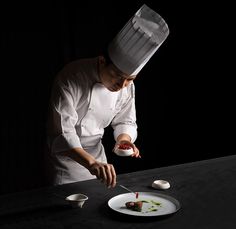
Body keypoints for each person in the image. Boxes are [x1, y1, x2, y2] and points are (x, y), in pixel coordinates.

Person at [45, 4, 169, 188]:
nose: (122, 85)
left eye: (130, 79)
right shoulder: (70, 77)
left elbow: (125, 121)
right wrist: (91, 163)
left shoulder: (127, 86)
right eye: (118, 77)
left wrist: (124, 141)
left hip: (100, 163)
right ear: (102, 62)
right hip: (66, 167)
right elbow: (63, 134)